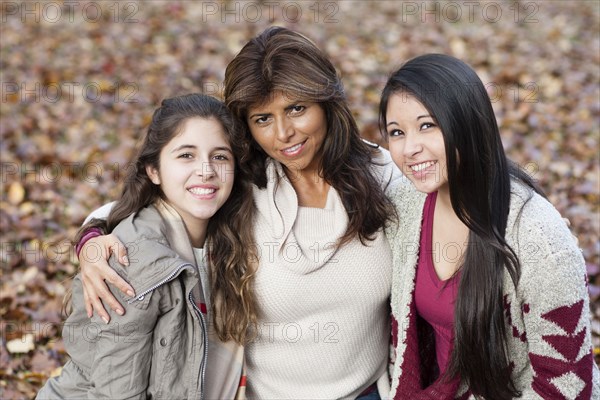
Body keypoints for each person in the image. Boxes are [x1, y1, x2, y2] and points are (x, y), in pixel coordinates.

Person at [74, 27, 405, 398]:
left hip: (369, 392)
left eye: (297, 109)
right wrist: (91, 243)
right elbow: (130, 212)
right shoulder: (244, 184)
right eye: (262, 119)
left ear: (327, 103)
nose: (284, 134)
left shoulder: (386, 176)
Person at [380, 54, 600, 399]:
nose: (410, 148)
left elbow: (566, 386)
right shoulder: (406, 203)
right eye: (396, 132)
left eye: (427, 125)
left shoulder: (538, 237)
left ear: (467, 123)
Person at [37, 93, 255, 399]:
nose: (206, 170)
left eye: (220, 156)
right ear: (153, 171)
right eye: (186, 156)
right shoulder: (132, 260)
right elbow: (115, 394)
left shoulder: (231, 235)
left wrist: (89, 237)